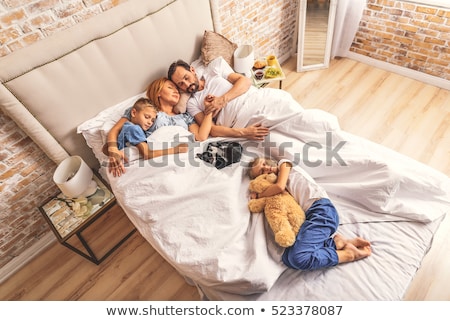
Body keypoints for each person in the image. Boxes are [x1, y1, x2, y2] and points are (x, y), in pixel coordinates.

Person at [249, 156, 372, 270]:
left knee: (299, 259)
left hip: (323, 211)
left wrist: (259, 195)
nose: (266, 168)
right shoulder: (277, 186)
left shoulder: (284, 164)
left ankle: (348, 254)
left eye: (264, 163)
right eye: (261, 172)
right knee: (287, 258)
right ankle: (335, 243)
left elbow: (279, 187)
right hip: (311, 216)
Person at [105, 77, 213, 177]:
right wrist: (112, 148)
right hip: (159, 156)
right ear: (158, 92)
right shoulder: (144, 110)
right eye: (170, 87)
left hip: (184, 155)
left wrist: (209, 110)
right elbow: (116, 130)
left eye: (177, 89)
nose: (176, 91)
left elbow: (201, 137)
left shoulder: (185, 116)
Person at [168, 58, 270, 140]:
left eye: (186, 78)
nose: (187, 84)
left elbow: (245, 81)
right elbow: (211, 130)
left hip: (256, 99)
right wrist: (244, 132)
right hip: (242, 121)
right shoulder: (192, 103)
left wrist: (221, 101)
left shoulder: (213, 72)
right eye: (181, 84)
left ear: (192, 70)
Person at [103, 97, 189, 171]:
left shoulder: (127, 128)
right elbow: (147, 154)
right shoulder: (134, 129)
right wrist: (176, 149)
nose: (149, 122)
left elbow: (104, 148)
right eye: (147, 117)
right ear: (133, 113)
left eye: (152, 120)